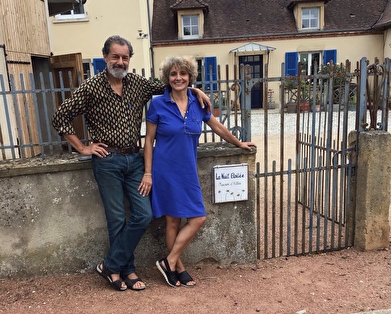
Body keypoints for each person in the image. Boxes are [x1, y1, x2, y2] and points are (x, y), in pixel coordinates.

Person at [52, 36, 211, 291]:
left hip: (135, 159)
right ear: (105, 57)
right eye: (115, 56)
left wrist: (195, 89)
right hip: (107, 161)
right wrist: (83, 147)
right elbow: (61, 117)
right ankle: (125, 270)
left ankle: (109, 265)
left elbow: (172, 85)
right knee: (116, 217)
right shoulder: (91, 87)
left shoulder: (137, 84)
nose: (120, 61)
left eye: (125, 57)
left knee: (143, 214)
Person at [142, 55, 256, 288]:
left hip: (187, 171)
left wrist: (239, 143)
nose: (178, 78)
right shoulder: (157, 104)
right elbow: (149, 140)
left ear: (190, 77)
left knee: (198, 218)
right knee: (173, 221)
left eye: (183, 74)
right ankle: (177, 268)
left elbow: (217, 126)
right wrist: (148, 173)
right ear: (167, 78)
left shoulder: (198, 103)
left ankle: (169, 260)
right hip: (165, 170)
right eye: (173, 74)